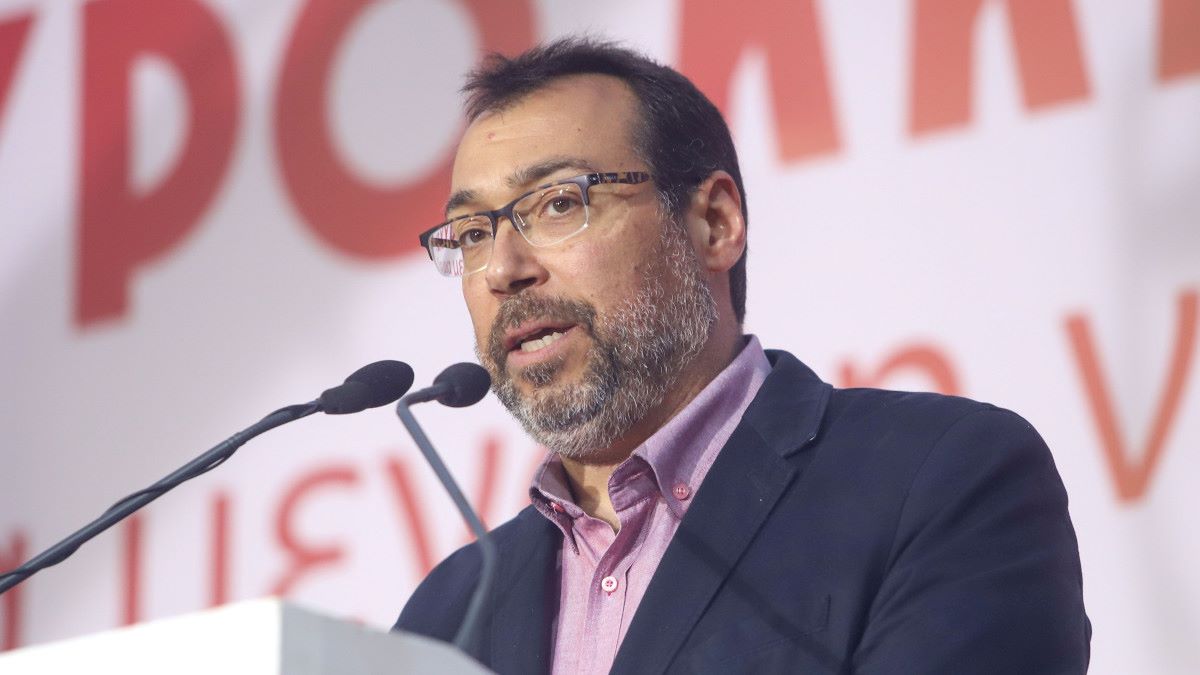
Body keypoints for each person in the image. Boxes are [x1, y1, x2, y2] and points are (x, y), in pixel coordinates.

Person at [394, 38, 1090, 674]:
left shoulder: (938, 480)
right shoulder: (444, 617)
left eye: (556, 204)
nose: (502, 269)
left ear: (714, 223)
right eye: (472, 232)